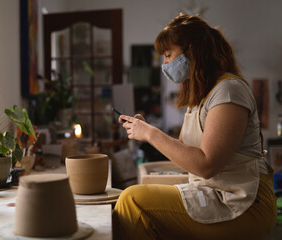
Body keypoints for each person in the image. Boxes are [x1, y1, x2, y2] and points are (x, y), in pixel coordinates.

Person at [112, 13, 277, 240]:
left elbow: (206, 165)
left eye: (169, 55)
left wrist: (151, 134)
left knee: (132, 201)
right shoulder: (200, 98)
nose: (165, 64)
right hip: (215, 194)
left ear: (192, 51)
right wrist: (146, 129)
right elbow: (183, 151)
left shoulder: (228, 91)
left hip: (243, 202)